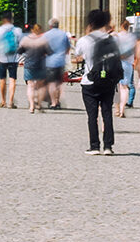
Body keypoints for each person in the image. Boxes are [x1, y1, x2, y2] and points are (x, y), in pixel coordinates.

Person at [76, 11, 123, 154]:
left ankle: (94, 146)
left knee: (92, 116)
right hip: (108, 81)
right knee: (107, 113)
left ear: (90, 23)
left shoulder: (84, 40)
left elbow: (77, 55)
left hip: (90, 81)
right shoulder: (112, 40)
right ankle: (108, 146)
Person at [0, 17, 22, 107]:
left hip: (2, 58)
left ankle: (3, 101)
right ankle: (11, 102)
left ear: (3, 20)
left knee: (2, 79)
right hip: (14, 58)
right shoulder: (17, 30)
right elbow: (20, 43)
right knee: (12, 80)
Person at [19, 23, 50, 113]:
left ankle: (31, 106)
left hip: (29, 65)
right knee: (40, 86)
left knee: (30, 86)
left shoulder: (26, 39)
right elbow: (49, 52)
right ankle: (39, 104)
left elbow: (20, 51)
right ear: (40, 30)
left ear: (32, 30)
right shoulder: (43, 40)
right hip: (41, 65)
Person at [42, 18, 72, 109]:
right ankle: (57, 101)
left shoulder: (46, 35)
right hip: (60, 61)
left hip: (49, 62)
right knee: (58, 83)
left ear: (50, 26)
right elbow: (68, 48)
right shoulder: (64, 34)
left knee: (51, 83)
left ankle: (53, 102)